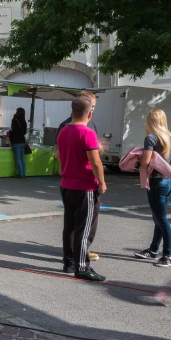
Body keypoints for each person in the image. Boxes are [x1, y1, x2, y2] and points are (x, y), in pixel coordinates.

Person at [57, 96, 107, 281]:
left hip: (66, 184)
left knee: (69, 226)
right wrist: (101, 182)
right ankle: (82, 266)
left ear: (72, 111)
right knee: (84, 228)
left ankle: (69, 262)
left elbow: (60, 155)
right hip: (84, 186)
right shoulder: (87, 133)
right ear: (90, 113)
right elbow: (96, 162)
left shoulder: (63, 131)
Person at [133, 109, 171, 267]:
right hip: (168, 182)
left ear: (150, 122)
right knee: (159, 218)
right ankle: (153, 250)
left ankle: (167, 255)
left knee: (161, 219)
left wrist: (137, 160)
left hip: (156, 183)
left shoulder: (151, 138)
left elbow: (146, 162)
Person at [10, 108, 27, 178]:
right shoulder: (24, 121)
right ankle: (24, 173)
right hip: (22, 141)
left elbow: (13, 130)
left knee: (18, 159)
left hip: (16, 141)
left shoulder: (14, 120)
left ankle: (21, 173)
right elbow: (25, 132)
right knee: (22, 158)